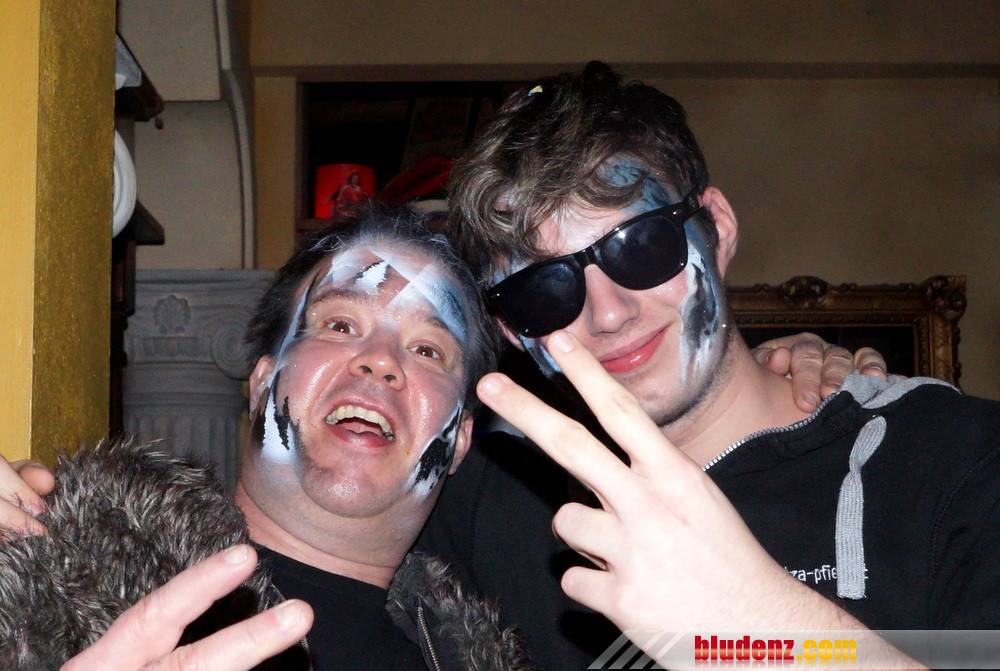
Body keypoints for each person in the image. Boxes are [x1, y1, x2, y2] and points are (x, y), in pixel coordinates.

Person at [415, 61, 1000, 668]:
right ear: (513, 328)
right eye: (546, 289)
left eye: (640, 247)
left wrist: (761, 630)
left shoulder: (958, 461)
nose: (608, 314)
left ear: (717, 228)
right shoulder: (490, 512)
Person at [0, 201, 528, 671]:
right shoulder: (51, 580)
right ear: (260, 383)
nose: (381, 360)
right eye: (340, 325)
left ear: (460, 440)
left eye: (428, 350)